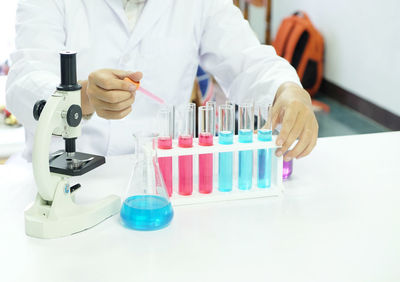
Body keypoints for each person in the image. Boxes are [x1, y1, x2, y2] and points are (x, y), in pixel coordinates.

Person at [6, 0, 318, 161]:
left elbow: (248, 60)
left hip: (164, 184)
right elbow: (23, 81)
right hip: (65, 184)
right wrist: (82, 97)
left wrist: (287, 90)